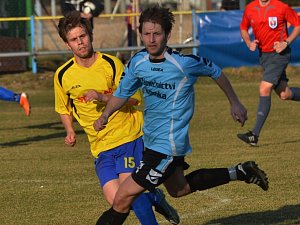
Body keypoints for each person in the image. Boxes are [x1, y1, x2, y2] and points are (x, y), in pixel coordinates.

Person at [93, 5, 269, 225]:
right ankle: (241, 171)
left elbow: (215, 70)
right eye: (146, 34)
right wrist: (105, 115)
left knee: (121, 199)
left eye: (157, 34)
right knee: (179, 189)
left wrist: (235, 102)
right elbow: (122, 93)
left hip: (167, 147)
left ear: (167, 35)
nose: (151, 39)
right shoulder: (138, 62)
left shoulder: (183, 64)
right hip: (151, 141)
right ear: (140, 34)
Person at [54, 11, 180, 225]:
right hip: (100, 147)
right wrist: (70, 130)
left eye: (82, 36)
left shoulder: (111, 64)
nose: (80, 43)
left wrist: (103, 96)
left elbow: (134, 99)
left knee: (131, 193)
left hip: (127, 138)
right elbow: (63, 108)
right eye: (74, 40)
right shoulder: (63, 75)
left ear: (90, 35)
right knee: (118, 201)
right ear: (68, 45)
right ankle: (156, 197)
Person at [238, 0, 300, 146]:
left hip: (280, 54)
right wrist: (248, 42)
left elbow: (298, 25)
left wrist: (286, 42)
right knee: (285, 94)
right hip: (264, 56)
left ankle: (254, 135)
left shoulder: (281, 7)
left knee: (264, 88)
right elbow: (243, 28)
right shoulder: (250, 8)